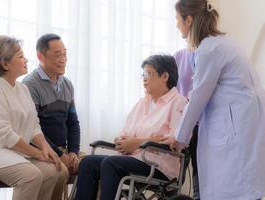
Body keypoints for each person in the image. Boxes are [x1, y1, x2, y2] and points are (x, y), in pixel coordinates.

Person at [163, 0, 265, 199]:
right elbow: (200, 91)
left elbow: (199, 96)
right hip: (242, 122)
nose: (176, 24)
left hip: (236, 127)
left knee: (234, 187)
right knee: (239, 185)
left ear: (189, 20)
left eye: (177, 19)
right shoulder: (219, 44)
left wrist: (180, 137)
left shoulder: (209, 49)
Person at [74, 54, 188, 200]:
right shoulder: (143, 102)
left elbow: (176, 140)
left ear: (164, 76)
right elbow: (124, 132)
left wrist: (136, 142)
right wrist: (123, 141)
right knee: (88, 162)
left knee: (111, 163)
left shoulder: (178, 102)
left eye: (148, 73)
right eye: (143, 74)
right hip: (132, 158)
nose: (144, 78)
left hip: (159, 165)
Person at [0, 36, 61, 200]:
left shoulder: (22, 88)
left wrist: (45, 147)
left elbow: (33, 125)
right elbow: (5, 135)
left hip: (7, 150)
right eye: (20, 56)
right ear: (5, 64)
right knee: (30, 175)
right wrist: (37, 153)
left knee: (51, 171)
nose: (26, 60)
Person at [22, 33, 84, 200]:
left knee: (96, 166)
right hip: (40, 149)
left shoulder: (67, 84)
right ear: (40, 56)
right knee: (59, 172)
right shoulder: (30, 85)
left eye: (65, 54)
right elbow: (31, 129)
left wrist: (73, 152)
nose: (63, 59)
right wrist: (58, 154)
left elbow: (73, 123)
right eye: (58, 55)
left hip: (63, 150)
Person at [174, 49, 200, 200]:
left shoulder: (210, 53)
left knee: (199, 176)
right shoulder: (179, 57)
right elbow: (171, 90)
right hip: (181, 122)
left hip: (201, 125)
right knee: (174, 179)